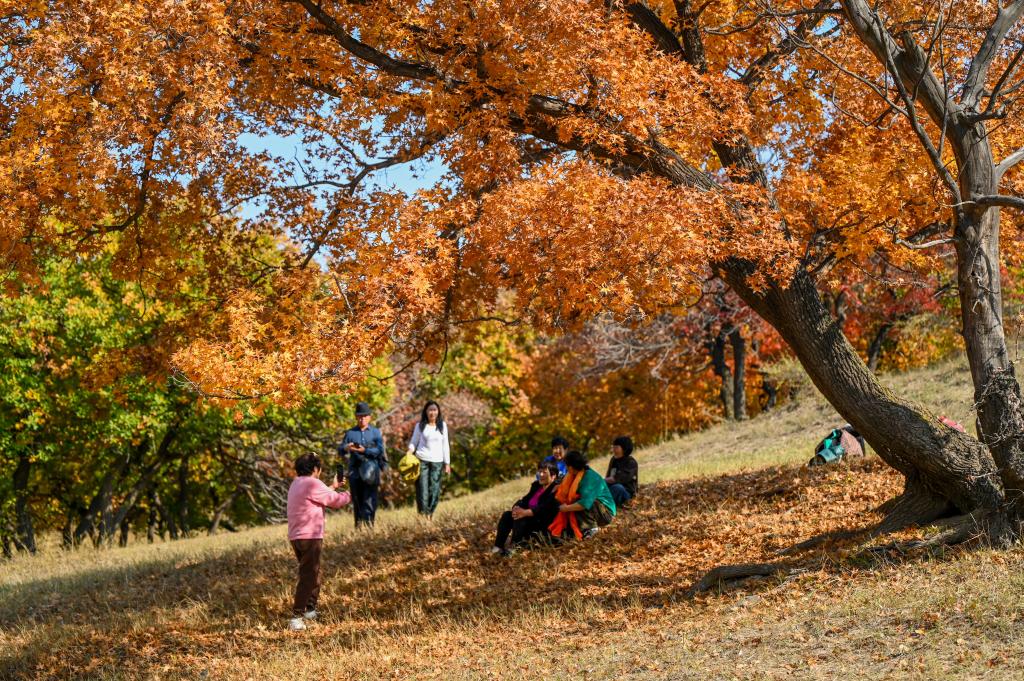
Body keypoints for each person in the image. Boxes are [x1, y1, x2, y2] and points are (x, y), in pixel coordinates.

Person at [286, 452, 351, 631]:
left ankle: (310, 609)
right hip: (310, 536)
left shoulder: (296, 483)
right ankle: (296, 616)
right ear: (315, 469)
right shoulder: (312, 483)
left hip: (296, 536)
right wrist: (350, 494)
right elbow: (335, 501)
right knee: (308, 575)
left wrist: (332, 485)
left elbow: (319, 496)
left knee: (313, 572)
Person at [492, 460, 561, 555]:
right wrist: (516, 507)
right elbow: (524, 500)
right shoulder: (537, 486)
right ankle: (497, 547)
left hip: (542, 525)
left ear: (553, 476)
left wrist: (525, 512)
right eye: (539, 471)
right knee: (507, 515)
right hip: (528, 520)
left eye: (544, 472)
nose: (540, 474)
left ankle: (514, 549)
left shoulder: (555, 489)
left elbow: (545, 508)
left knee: (521, 517)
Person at [338, 401, 387, 529]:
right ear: (356, 417)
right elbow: (340, 450)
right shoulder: (350, 433)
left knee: (371, 500)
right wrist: (347, 448)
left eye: (365, 416)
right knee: (357, 500)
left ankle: (370, 525)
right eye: (359, 416)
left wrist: (365, 451)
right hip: (355, 471)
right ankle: (358, 527)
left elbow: (379, 450)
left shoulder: (375, 433)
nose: (362, 419)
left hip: (372, 470)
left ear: (369, 417)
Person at [549, 450, 616, 540]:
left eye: (567, 465)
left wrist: (566, 508)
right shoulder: (574, 474)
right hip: (595, 510)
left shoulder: (590, 477)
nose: (566, 468)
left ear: (571, 467)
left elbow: (585, 503)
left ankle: (591, 529)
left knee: (579, 502)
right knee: (573, 501)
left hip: (606, 513)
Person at [406, 400, 451, 519]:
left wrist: (447, 463)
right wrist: (409, 452)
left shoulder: (443, 426)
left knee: (434, 490)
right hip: (422, 460)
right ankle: (422, 516)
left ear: (438, 412)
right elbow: (414, 442)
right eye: (430, 410)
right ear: (426, 412)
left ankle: (430, 514)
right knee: (422, 490)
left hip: (437, 462)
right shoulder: (420, 426)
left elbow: (445, 444)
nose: (432, 412)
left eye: (434, 410)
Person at [605, 435, 638, 507]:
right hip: (613, 489)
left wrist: (601, 481)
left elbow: (617, 479)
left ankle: (605, 506)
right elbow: (608, 477)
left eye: (616, 448)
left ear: (624, 449)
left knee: (618, 488)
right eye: (613, 447)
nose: (613, 450)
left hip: (626, 494)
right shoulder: (613, 460)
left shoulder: (631, 462)